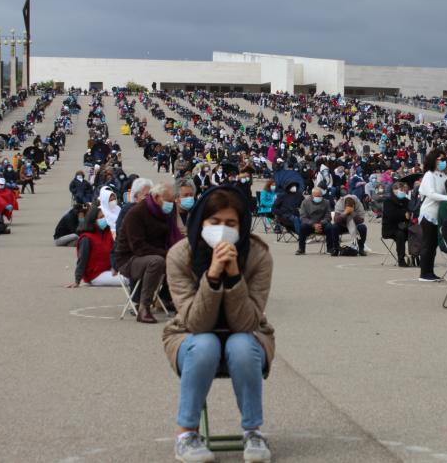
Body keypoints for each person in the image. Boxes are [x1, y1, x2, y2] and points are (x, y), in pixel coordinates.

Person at [163, 186, 273, 463]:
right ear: (201, 222)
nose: (222, 230)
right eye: (214, 222)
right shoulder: (179, 255)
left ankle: (253, 431)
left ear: (242, 225)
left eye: (231, 224)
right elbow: (195, 323)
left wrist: (234, 276)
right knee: (205, 344)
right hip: (189, 336)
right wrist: (212, 275)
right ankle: (186, 433)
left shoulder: (258, 255)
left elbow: (248, 322)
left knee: (241, 345)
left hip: (247, 335)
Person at [115, 182, 183, 323]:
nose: (171, 205)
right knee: (157, 261)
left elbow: (175, 235)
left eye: (173, 201)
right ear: (157, 197)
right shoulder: (136, 213)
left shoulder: (166, 212)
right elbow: (138, 247)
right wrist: (167, 253)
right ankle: (144, 307)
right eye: (169, 201)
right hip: (129, 259)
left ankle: (178, 302)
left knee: (183, 259)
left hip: (157, 254)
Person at [66, 201, 120, 287]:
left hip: (110, 270)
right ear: (93, 220)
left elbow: (115, 252)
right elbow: (82, 260)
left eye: (105, 216)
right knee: (127, 279)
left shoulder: (108, 233)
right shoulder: (87, 239)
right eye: (101, 217)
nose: (104, 219)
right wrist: (77, 280)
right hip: (95, 275)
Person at [418, 149, 447, 281]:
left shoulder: (444, 176)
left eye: (444, 159)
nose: (443, 162)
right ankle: (425, 273)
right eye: (441, 159)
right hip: (429, 213)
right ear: (434, 160)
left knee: (433, 245)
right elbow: (431, 194)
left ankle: (430, 271)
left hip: (439, 214)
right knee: (428, 244)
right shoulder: (429, 175)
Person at [296, 187, 334, 255]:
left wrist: (320, 224)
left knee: (330, 227)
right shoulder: (305, 202)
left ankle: (330, 249)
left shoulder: (326, 202)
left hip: (322, 224)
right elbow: (303, 217)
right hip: (310, 225)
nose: (319, 197)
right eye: (317, 196)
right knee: (302, 227)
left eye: (320, 196)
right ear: (312, 196)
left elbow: (328, 216)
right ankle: (301, 249)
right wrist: (313, 224)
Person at [381, 182, 410, 266]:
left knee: (416, 232)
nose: (403, 192)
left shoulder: (406, 200)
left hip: (405, 226)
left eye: (404, 190)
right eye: (401, 190)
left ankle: (416, 255)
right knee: (400, 234)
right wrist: (404, 214)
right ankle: (401, 259)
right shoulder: (388, 201)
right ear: (394, 190)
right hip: (390, 228)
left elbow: (411, 210)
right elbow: (391, 215)